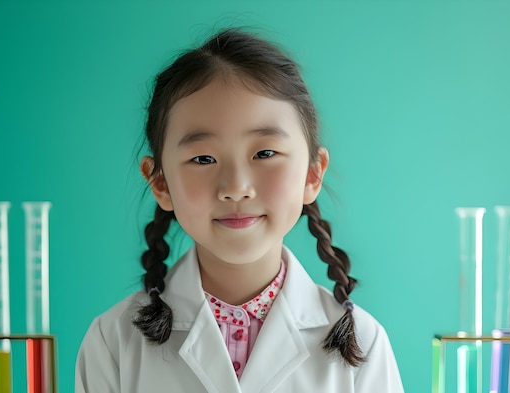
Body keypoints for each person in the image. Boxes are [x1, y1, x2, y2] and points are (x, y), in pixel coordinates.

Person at [75, 27, 404, 392]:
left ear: (312, 174)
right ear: (160, 182)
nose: (235, 188)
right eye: (203, 158)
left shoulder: (363, 344)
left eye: (264, 153)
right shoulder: (113, 343)